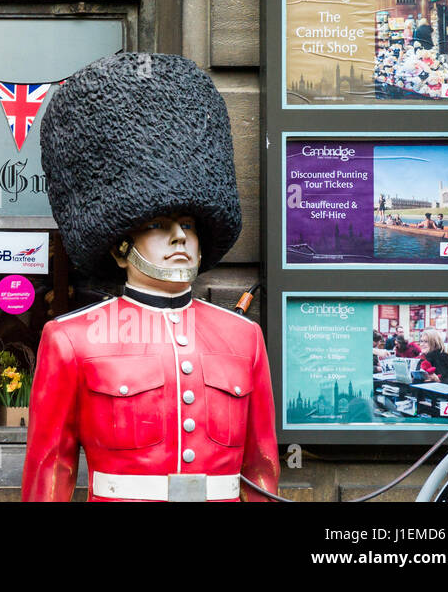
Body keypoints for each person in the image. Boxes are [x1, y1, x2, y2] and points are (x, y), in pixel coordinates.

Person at [23, 52, 279, 502]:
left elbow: (261, 471)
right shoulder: (71, 341)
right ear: (122, 247)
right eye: (159, 225)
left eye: (189, 225)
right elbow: (53, 468)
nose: (180, 237)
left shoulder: (244, 339)